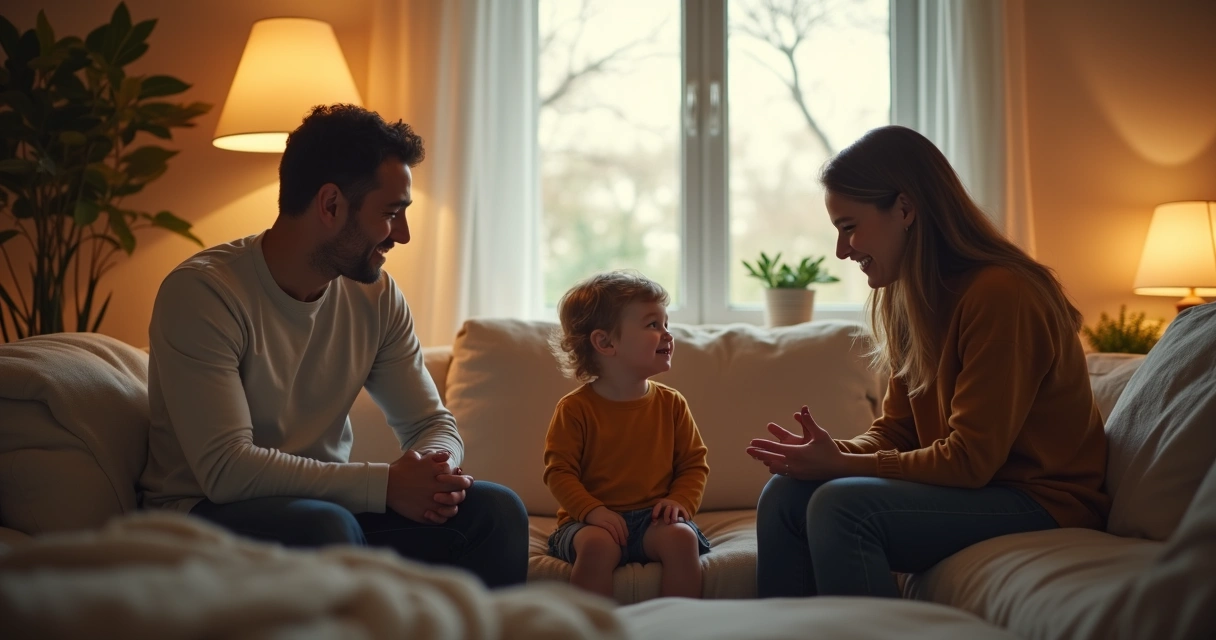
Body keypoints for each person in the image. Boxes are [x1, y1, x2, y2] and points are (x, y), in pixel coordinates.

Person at [139, 104, 529, 587]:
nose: (403, 235)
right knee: (327, 526)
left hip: (327, 511)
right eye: (391, 213)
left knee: (496, 511)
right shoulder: (203, 293)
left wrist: (435, 471)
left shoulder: (376, 295)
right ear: (330, 205)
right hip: (203, 514)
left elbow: (431, 422)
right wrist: (385, 485)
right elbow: (226, 469)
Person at [746, 125, 1109, 598]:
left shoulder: (1003, 295)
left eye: (849, 227)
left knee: (842, 507)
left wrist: (839, 466)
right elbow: (897, 431)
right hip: (980, 488)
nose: (842, 251)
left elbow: (971, 460)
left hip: (1041, 499)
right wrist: (829, 455)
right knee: (785, 496)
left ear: (905, 208)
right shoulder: (909, 297)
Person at [543, 270, 711, 599]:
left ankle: (682, 625)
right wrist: (593, 512)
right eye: (653, 325)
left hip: (654, 521)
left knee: (682, 538)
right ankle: (591, 628)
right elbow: (559, 472)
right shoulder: (575, 409)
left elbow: (694, 464)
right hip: (590, 521)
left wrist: (679, 502)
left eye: (666, 324)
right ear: (606, 343)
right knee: (597, 545)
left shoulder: (672, 404)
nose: (667, 335)